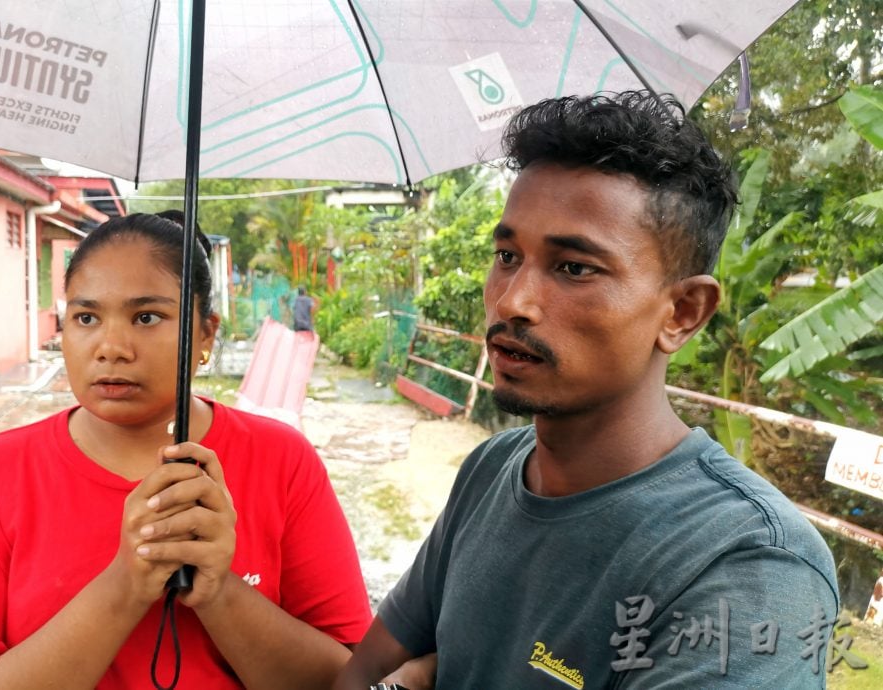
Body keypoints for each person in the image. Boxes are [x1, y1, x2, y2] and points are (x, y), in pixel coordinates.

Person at [334, 92, 840, 688]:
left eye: (574, 268)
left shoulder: (746, 566)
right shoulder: (493, 469)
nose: (512, 301)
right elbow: (362, 675)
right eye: (507, 255)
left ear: (682, 311)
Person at [0, 213, 372, 689]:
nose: (111, 347)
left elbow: (353, 679)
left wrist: (219, 593)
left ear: (205, 333)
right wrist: (125, 585)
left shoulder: (281, 461)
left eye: (146, 317)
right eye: (86, 317)